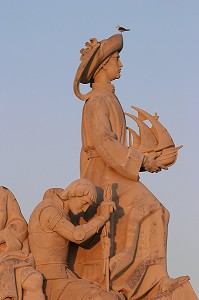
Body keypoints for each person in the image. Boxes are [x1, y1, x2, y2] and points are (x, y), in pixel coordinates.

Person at [72, 34, 197, 299]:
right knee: (154, 209)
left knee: (156, 212)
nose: (121, 64)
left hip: (116, 171)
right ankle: (141, 281)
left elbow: (115, 144)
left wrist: (147, 156)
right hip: (103, 175)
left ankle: (150, 279)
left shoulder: (108, 99)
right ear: (103, 64)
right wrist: (142, 161)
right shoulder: (96, 101)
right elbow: (104, 142)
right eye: (116, 59)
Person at [28, 179, 124, 300]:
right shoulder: (49, 210)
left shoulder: (64, 213)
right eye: (85, 203)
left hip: (63, 276)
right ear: (74, 194)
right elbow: (77, 236)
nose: (84, 209)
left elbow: (85, 241)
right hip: (50, 280)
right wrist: (102, 217)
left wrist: (105, 223)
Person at [0, 186, 45, 300]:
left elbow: (19, 224)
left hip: (7, 254)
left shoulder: (3, 193)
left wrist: (3, 236)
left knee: (34, 280)